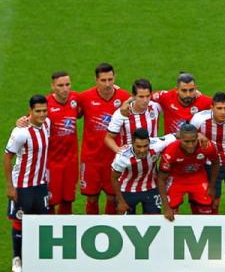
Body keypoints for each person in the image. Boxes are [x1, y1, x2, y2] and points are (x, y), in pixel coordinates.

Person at [4, 95, 51, 272]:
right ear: (30, 111)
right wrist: (10, 186)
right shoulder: (20, 132)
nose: (41, 114)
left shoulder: (47, 125)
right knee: (19, 221)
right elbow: (7, 157)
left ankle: (36, 258)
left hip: (40, 184)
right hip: (22, 185)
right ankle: (17, 258)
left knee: (41, 221)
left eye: (44, 111)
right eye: (37, 111)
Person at [77, 62, 131, 214]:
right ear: (96, 80)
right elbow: (68, 111)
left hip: (114, 157)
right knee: (92, 198)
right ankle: (91, 229)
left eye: (110, 79)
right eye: (103, 80)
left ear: (115, 78)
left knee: (112, 198)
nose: (107, 84)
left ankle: (110, 230)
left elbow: (144, 100)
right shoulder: (85, 98)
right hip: (91, 159)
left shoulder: (124, 97)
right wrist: (26, 119)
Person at [190, 92, 225, 215]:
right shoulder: (200, 119)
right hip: (210, 164)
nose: (223, 112)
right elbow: (185, 133)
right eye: (219, 108)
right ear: (211, 108)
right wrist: (197, 134)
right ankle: (216, 230)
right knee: (214, 202)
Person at [157, 124, 219, 221]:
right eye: (186, 141)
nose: (190, 145)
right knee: (171, 212)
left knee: (206, 209)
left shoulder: (207, 146)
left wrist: (212, 186)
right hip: (176, 179)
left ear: (197, 138)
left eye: (193, 141)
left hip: (198, 177)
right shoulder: (170, 151)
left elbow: (216, 163)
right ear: (179, 139)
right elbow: (161, 179)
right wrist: (166, 207)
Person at [110, 128, 177, 214]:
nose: (142, 150)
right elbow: (114, 178)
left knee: (153, 221)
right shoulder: (122, 157)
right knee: (127, 224)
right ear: (133, 143)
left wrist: (198, 135)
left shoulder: (157, 144)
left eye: (145, 146)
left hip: (151, 188)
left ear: (149, 142)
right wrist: (121, 201)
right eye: (139, 147)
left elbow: (177, 135)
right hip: (127, 191)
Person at [45, 71, 80, 214]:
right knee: (50, 202)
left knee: (68, 200)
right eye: (60, 85)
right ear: (53, 86)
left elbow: (94, 96)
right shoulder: (45, 105)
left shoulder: (76, 99)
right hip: (51, 163)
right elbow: (31, 121)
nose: (65, 88)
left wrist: (113, 88)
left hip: (71, 162)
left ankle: (65, 233)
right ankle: (50, 232)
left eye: (67, 84)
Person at [105, 78, 162, 153]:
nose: (145, 100)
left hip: (152, 159)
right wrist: (119, 150)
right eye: (141, 97)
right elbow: (108, 138)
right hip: (130, 161)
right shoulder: (122, 113)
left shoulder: (155, 107)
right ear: (133, 96)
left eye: (147, 96)